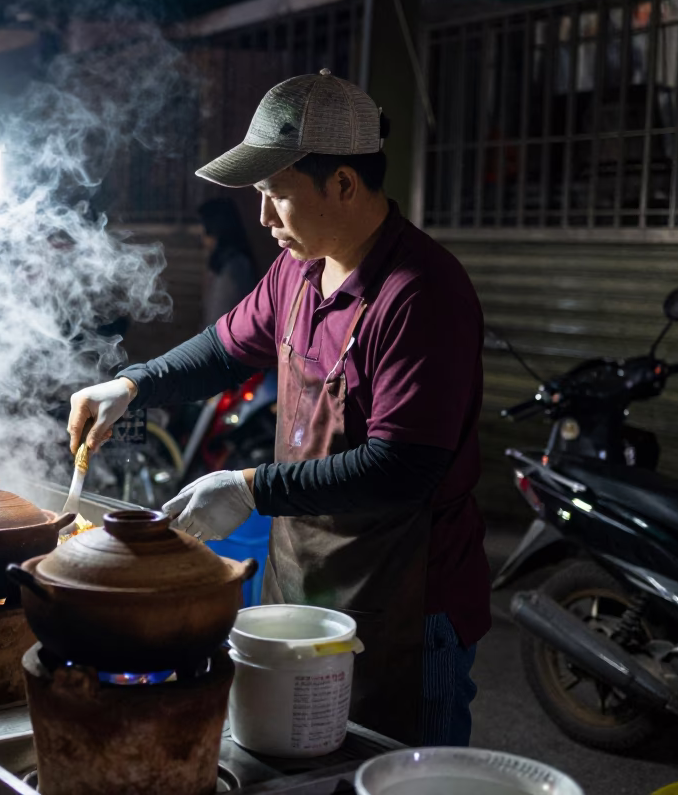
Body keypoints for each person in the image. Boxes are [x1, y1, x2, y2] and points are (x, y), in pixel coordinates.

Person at [66, 71, 487, 748]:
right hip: (304, 580)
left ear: (344, 184)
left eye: (276, 195)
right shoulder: (298, 268)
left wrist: (251, 487)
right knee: (293, 766)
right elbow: (224, 349)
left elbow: (404, 467)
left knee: (403, 775)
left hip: (407, 601)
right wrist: (134, 384)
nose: (263, 220)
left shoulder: (421, 294)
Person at [198, 198, 258, 326]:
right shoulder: (223, 262)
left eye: (203, 228)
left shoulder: (234, 267)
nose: (201, 236)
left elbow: (218, 316)